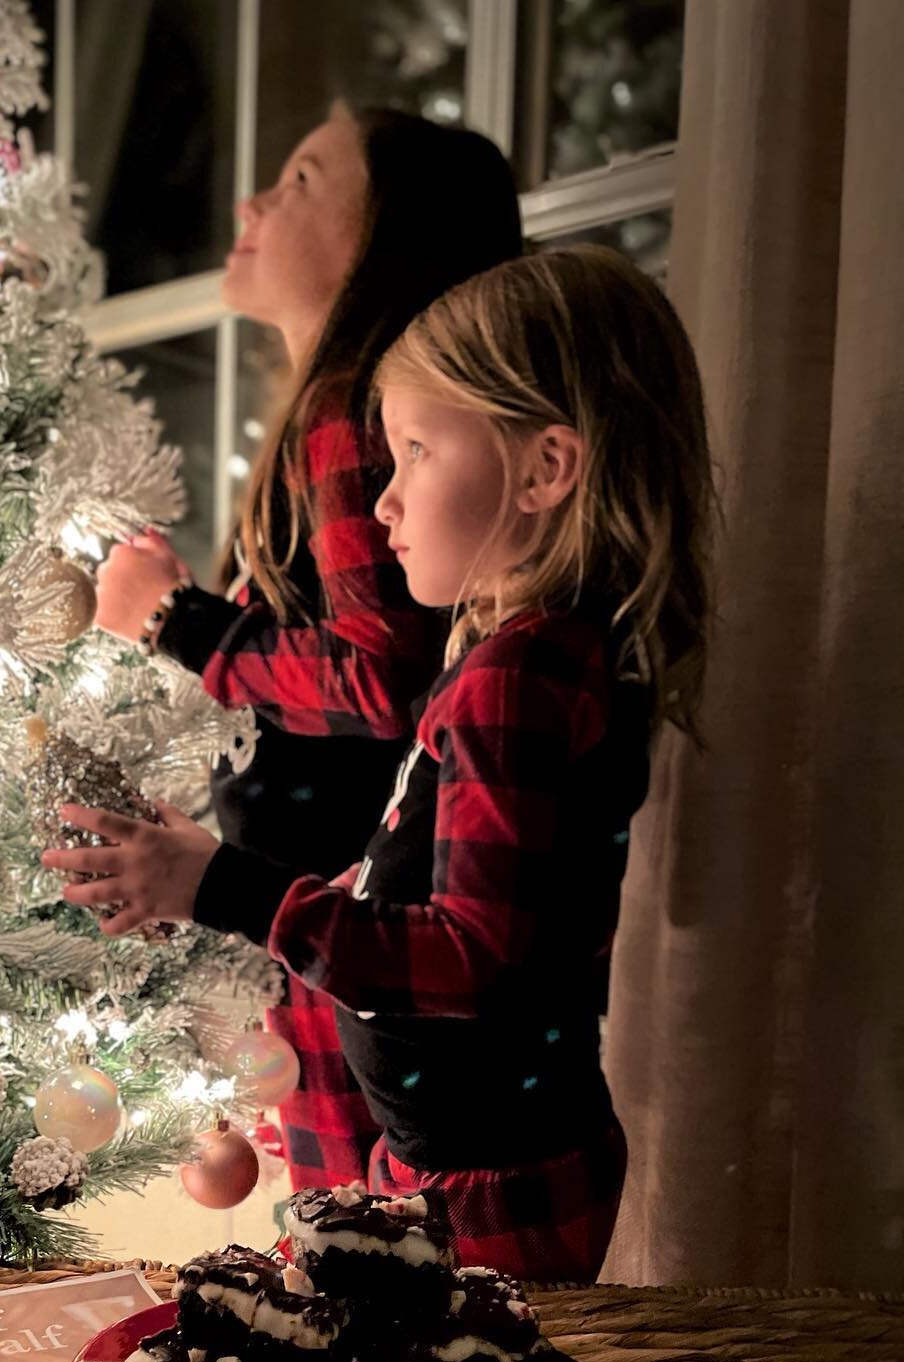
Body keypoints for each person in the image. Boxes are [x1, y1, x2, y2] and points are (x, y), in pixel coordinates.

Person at [43, 246, 715, 1282]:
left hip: (487, 1193)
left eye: (414, 454)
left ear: (544, 470)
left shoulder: (522, 678)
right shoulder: (516, 654)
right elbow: (426, 875)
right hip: (446, 1165)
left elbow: (470, 963)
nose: (385, 503)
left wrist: (223, 887)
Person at [93, 105, 522, 1190]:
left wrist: (173, 620)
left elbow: (381, 676)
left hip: (341, 925)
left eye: (297, 182)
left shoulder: (343, 414)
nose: (251, 202)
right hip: (316, 917)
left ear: (379, 239)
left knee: (351, 1256)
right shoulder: (325, 415)